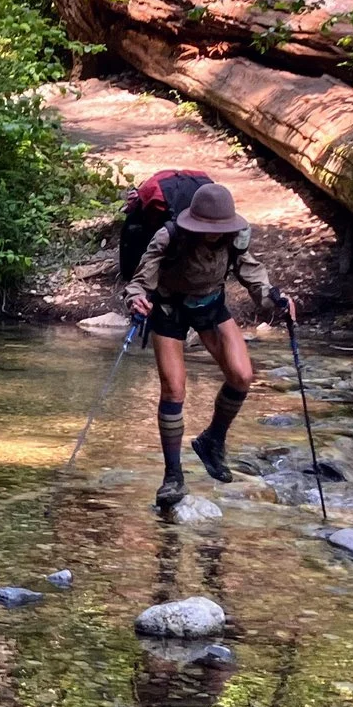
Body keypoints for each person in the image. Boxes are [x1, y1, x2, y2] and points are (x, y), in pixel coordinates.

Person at [124, 180, 293, 508]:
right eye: (208, 228)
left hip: (210, 306)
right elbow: (141, 280)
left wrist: (277, 299)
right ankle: (173, 477)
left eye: (219, 227)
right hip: (169, 309)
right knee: (174, 389)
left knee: (242, 376)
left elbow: (253, 274)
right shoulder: (169, 237)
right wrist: (137, 300)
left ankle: (212, 440)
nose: (214, 233)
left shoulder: (235, 238)